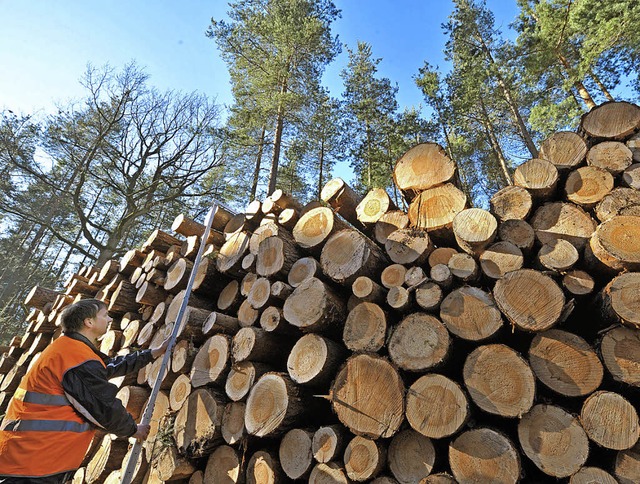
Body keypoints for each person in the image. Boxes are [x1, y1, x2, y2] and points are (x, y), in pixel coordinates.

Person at [0, 298, 169, 483]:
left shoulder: (69, 351)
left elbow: (107, 367)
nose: (110, 320)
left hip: (29, 457)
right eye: (105, 315)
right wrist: (132, 429)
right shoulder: (72, 357)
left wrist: (152, 353)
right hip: (33, 462)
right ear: (89, 322)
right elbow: (102, 406)